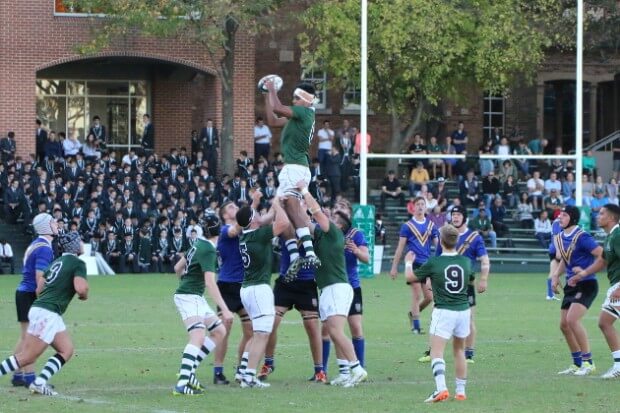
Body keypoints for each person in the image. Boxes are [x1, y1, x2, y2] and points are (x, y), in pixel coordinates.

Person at [0, 231, 88, 396]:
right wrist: (84, 294)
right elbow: (81, 288)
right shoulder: (77, 263)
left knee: (66, 349)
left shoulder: (57, 261)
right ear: (75, 245)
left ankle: (39, 383)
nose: (82, 243)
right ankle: (37, 383)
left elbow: (39, 287)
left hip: (44, 310)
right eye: (80, 241)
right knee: (27, 357)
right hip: (48, 312)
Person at [297, 182, 368, 387]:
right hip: (329, 288)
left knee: (336, 330)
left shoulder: (333, 233)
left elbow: (316, 212)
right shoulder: (324, 233)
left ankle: (357, 368)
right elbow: (305, 221)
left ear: (340, 225)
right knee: (331, 329)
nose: (330, 217)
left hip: (337, 287)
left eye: (335, 216)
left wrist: (304, 191)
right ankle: (345, 372)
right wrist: (296, 204)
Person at [404, 224, 474, 402]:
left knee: (436, 352)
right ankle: (460, 392)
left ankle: (441, 389)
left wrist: (408, 263)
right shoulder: (465, 262)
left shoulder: (435, 262)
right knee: (459, 351)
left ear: (441, 242)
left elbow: (410, 278)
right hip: (464, 311)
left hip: (444, 311)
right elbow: (471, 279)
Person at [262, 78, 320, 277]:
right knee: (282, 214)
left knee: (293, 210)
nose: (293, 100)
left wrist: (271, 89)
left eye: (296, 97)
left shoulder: (304, 112)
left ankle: (310, 253)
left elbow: (278, 108)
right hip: (294, 167)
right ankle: (295, 257)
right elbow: (273, 120)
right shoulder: (300, 116)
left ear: (306, 100)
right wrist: (265, 95)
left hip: (295, 167)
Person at [171, 214, 232, 395]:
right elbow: (210, 283)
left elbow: (177, 268)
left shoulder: (198, 243)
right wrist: (225, 309)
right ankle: (182, 384)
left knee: (219, 331)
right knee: (198, 336)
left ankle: (188, 372)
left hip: (193, 295)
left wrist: (186, 282)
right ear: (218, 230)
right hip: (190, 296)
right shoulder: (208, 249)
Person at [421, 206, 489, 364]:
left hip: (466, 285)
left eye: (459, 214)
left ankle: (469, 354)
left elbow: (485, 260)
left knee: (469, 318)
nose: (456, 217)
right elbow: (436, 259)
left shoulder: (474, 237)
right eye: (453, 215)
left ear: (464, 217)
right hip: (443, 284)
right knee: (435, 317)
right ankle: (432, 351)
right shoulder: (445, 235)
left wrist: (484, 278)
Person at [235, 198, 288, 388]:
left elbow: (266, 219)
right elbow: (283, 223)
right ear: (252, 221)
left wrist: (278, 205)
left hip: (248, 288)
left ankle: (244, 373)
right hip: (258, 288)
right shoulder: (258, 235)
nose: (259, 214)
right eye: (255, 213)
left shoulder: (248, 234)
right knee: (262, 334)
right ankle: (249, 376)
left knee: (257, 333)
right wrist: (275, 204)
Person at [258, 234, 325, 383]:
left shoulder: (310, 226)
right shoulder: (285, 225)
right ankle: (268, 363)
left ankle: (319, 370)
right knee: (271, 323)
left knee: (312, 327)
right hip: (285, 281)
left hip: (307, 283)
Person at [549, 206, 602, 376]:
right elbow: (565, 257)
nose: (560, 218)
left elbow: (602, 255)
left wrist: (585, 272)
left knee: (572, 320)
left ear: (572, 218)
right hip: (571, 285)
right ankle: (577, 363)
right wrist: (556, 275)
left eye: (564, 215)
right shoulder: (561, 236)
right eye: (559, 215)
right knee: (564, 325)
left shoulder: (583, 236)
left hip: (587, 284)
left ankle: (589, 362)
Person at [9, 213, 58, 388]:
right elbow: (40, 277)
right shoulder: (44, 248)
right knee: (31, 339)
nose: (56, 224)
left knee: (25, 338)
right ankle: (30, 379)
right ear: (46, 226)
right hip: (30, 294)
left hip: (24, 293)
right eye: (53, 221)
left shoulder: (37, 243)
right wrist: (44, 301)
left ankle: (17, 376)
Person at [214, 200, 254, 385]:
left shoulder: (245, 228)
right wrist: (248, 210)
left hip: (244, 286)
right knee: (224, 330)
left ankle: (241, 368)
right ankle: (218, 371)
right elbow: (234, 230)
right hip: (227, 286)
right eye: (230, 207)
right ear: (224, 215)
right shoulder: (225, 230)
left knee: (251, 331)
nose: (234, 208)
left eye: (235, 206)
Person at [390, 196, 439, 334]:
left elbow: (439, 246)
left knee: (429, 297)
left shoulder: (431, 226)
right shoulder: (407, 226)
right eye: (417, 204)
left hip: (427, 265)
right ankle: (416, 326)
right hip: (414, 264)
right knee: (416, 294)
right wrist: (394, 267)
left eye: (422, 204)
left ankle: (413, 314)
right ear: (413, 207)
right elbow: (400, 248)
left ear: (426, 207)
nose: (420, 206)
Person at [593, 204, 620, 378]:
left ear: (610, 218)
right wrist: (582, 274)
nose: (598, 216)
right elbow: (602, 262)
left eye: (601, 214)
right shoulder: (610, 237)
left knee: (604, 322)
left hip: (618, 286)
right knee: (604, 322)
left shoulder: (617, 236)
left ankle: (619, 365)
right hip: (615, 284)